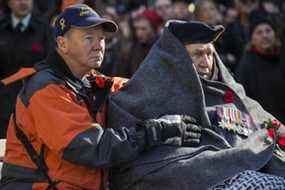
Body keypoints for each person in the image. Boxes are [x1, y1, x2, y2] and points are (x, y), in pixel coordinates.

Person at [0, 4, 201, 190]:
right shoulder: (46, 89)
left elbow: (139, 88)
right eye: (89, 38)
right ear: (62, 44)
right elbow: (93, 149)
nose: (99, 46)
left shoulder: (92, 81)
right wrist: (156, 131)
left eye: (102, 38)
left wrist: (190, 75)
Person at [108, 20, 285, 190]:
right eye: (198, 54)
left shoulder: (225, 91)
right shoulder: (147, 89)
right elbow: (123, 147)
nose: (206, 62)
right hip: (187, 175)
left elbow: (263, 120)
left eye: (209, 54)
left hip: (240, 165)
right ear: (176, 57)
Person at [0, 0, 52, 138]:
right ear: (9, 3)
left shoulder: (45, 30)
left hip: (34, 102)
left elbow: (52, 65)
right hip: (3, 105)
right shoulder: (1, 28)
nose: (23, 2)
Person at [235, 17, 285, 124]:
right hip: (266, 126)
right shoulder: (246, 65)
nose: (265, 35)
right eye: (259, 32)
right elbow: (243, 99)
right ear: (252, 39)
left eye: (268, 31)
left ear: (275, 34)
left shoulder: (282, 56)